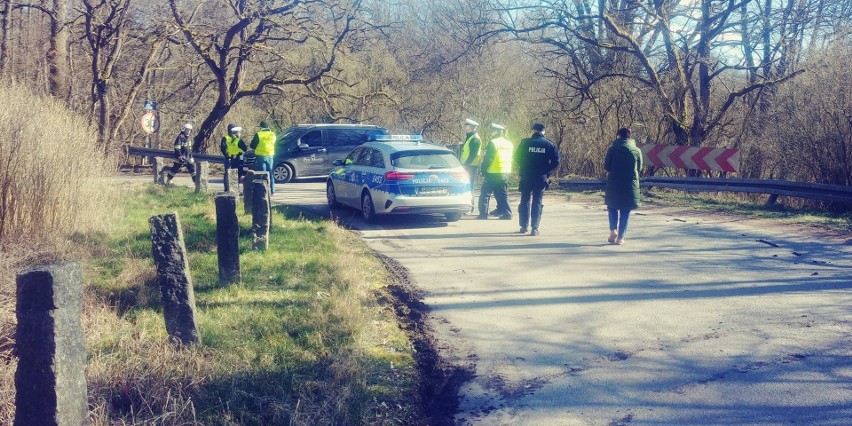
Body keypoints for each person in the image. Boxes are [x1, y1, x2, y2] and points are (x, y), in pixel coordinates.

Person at [514, 122, 560, 236]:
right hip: (541, 176)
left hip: (526, 175)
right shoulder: (550, 144)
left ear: (533, 131)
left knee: (525, 199)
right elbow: (556, 161)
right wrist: (547, 170)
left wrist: (524, 166)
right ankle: (535, 228)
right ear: (544, 131)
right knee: (537, 201)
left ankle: (523, 226)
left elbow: (516, 158)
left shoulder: (525, 143)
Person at [604, 127, 643, 245]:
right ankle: (621, 238)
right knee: (625, 211)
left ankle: (613, 231)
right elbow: (639, 168)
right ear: (630, 136)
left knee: (612, 207)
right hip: (630, 185)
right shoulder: (636, 151)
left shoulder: (612, 149)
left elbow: (607, 166)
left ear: (618, 136)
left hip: (614, 184)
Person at [477, 123, 513, 220]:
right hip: (505, 172)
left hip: (492, 172)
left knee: (485, 194)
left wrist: (482, 170)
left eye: (492, 130)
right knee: (502, 194)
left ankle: (483, 214)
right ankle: (507, 213)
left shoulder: (493, 142)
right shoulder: (509, 143)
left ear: (497, 131)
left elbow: (488, 158)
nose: (491, 132)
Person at [459, 118, 482, 213]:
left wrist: (466, 165)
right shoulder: (469, 137)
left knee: (469, 187)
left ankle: (470, 207)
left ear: (471, 127)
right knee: (466, 187)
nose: (464, 127)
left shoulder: (475, 138)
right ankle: (466, 206)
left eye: (466, 125)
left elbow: (473, 154)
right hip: (467, 166)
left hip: (471, 167)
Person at [250, 120, 277, 194]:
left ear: (261, 127)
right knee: (270, 173)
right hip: (270, 155)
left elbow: (252, 145)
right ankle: (272, 190)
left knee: (262, 174)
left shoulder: (258, 134)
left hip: (261, 156)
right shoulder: (273, 134)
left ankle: (264, 191)